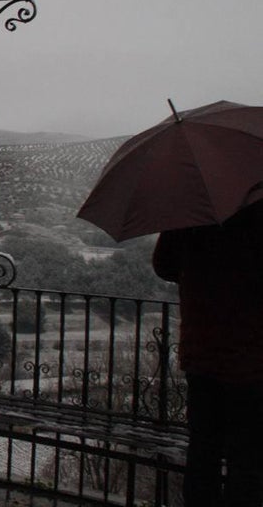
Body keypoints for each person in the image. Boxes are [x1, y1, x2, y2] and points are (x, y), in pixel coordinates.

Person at [153, 199, 263, 507]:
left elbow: (164, 265)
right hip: (251, 359)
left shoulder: (194, 206)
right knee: (248, 460)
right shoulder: (258, 211)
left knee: (203, 452)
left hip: (202, 352)